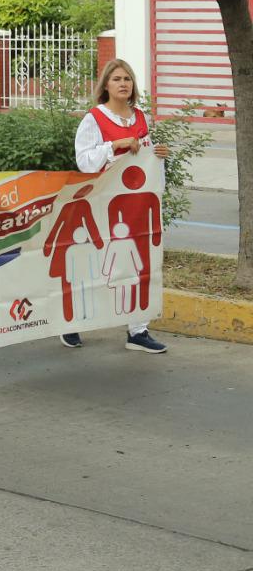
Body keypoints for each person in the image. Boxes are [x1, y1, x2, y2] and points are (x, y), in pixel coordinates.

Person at [68, 59, 170, 354]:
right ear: (106, 85)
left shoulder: (140, 116)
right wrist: (115, 145)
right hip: (102, 202)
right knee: (98, 265)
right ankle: (70, 322)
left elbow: (144, 158)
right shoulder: (94, 119)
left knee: (136, 263)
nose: (123, 83)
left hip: (134, 204)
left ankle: (138, 330)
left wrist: (158, 153)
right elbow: (84, 161)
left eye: (127, 78)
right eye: (116, 79)